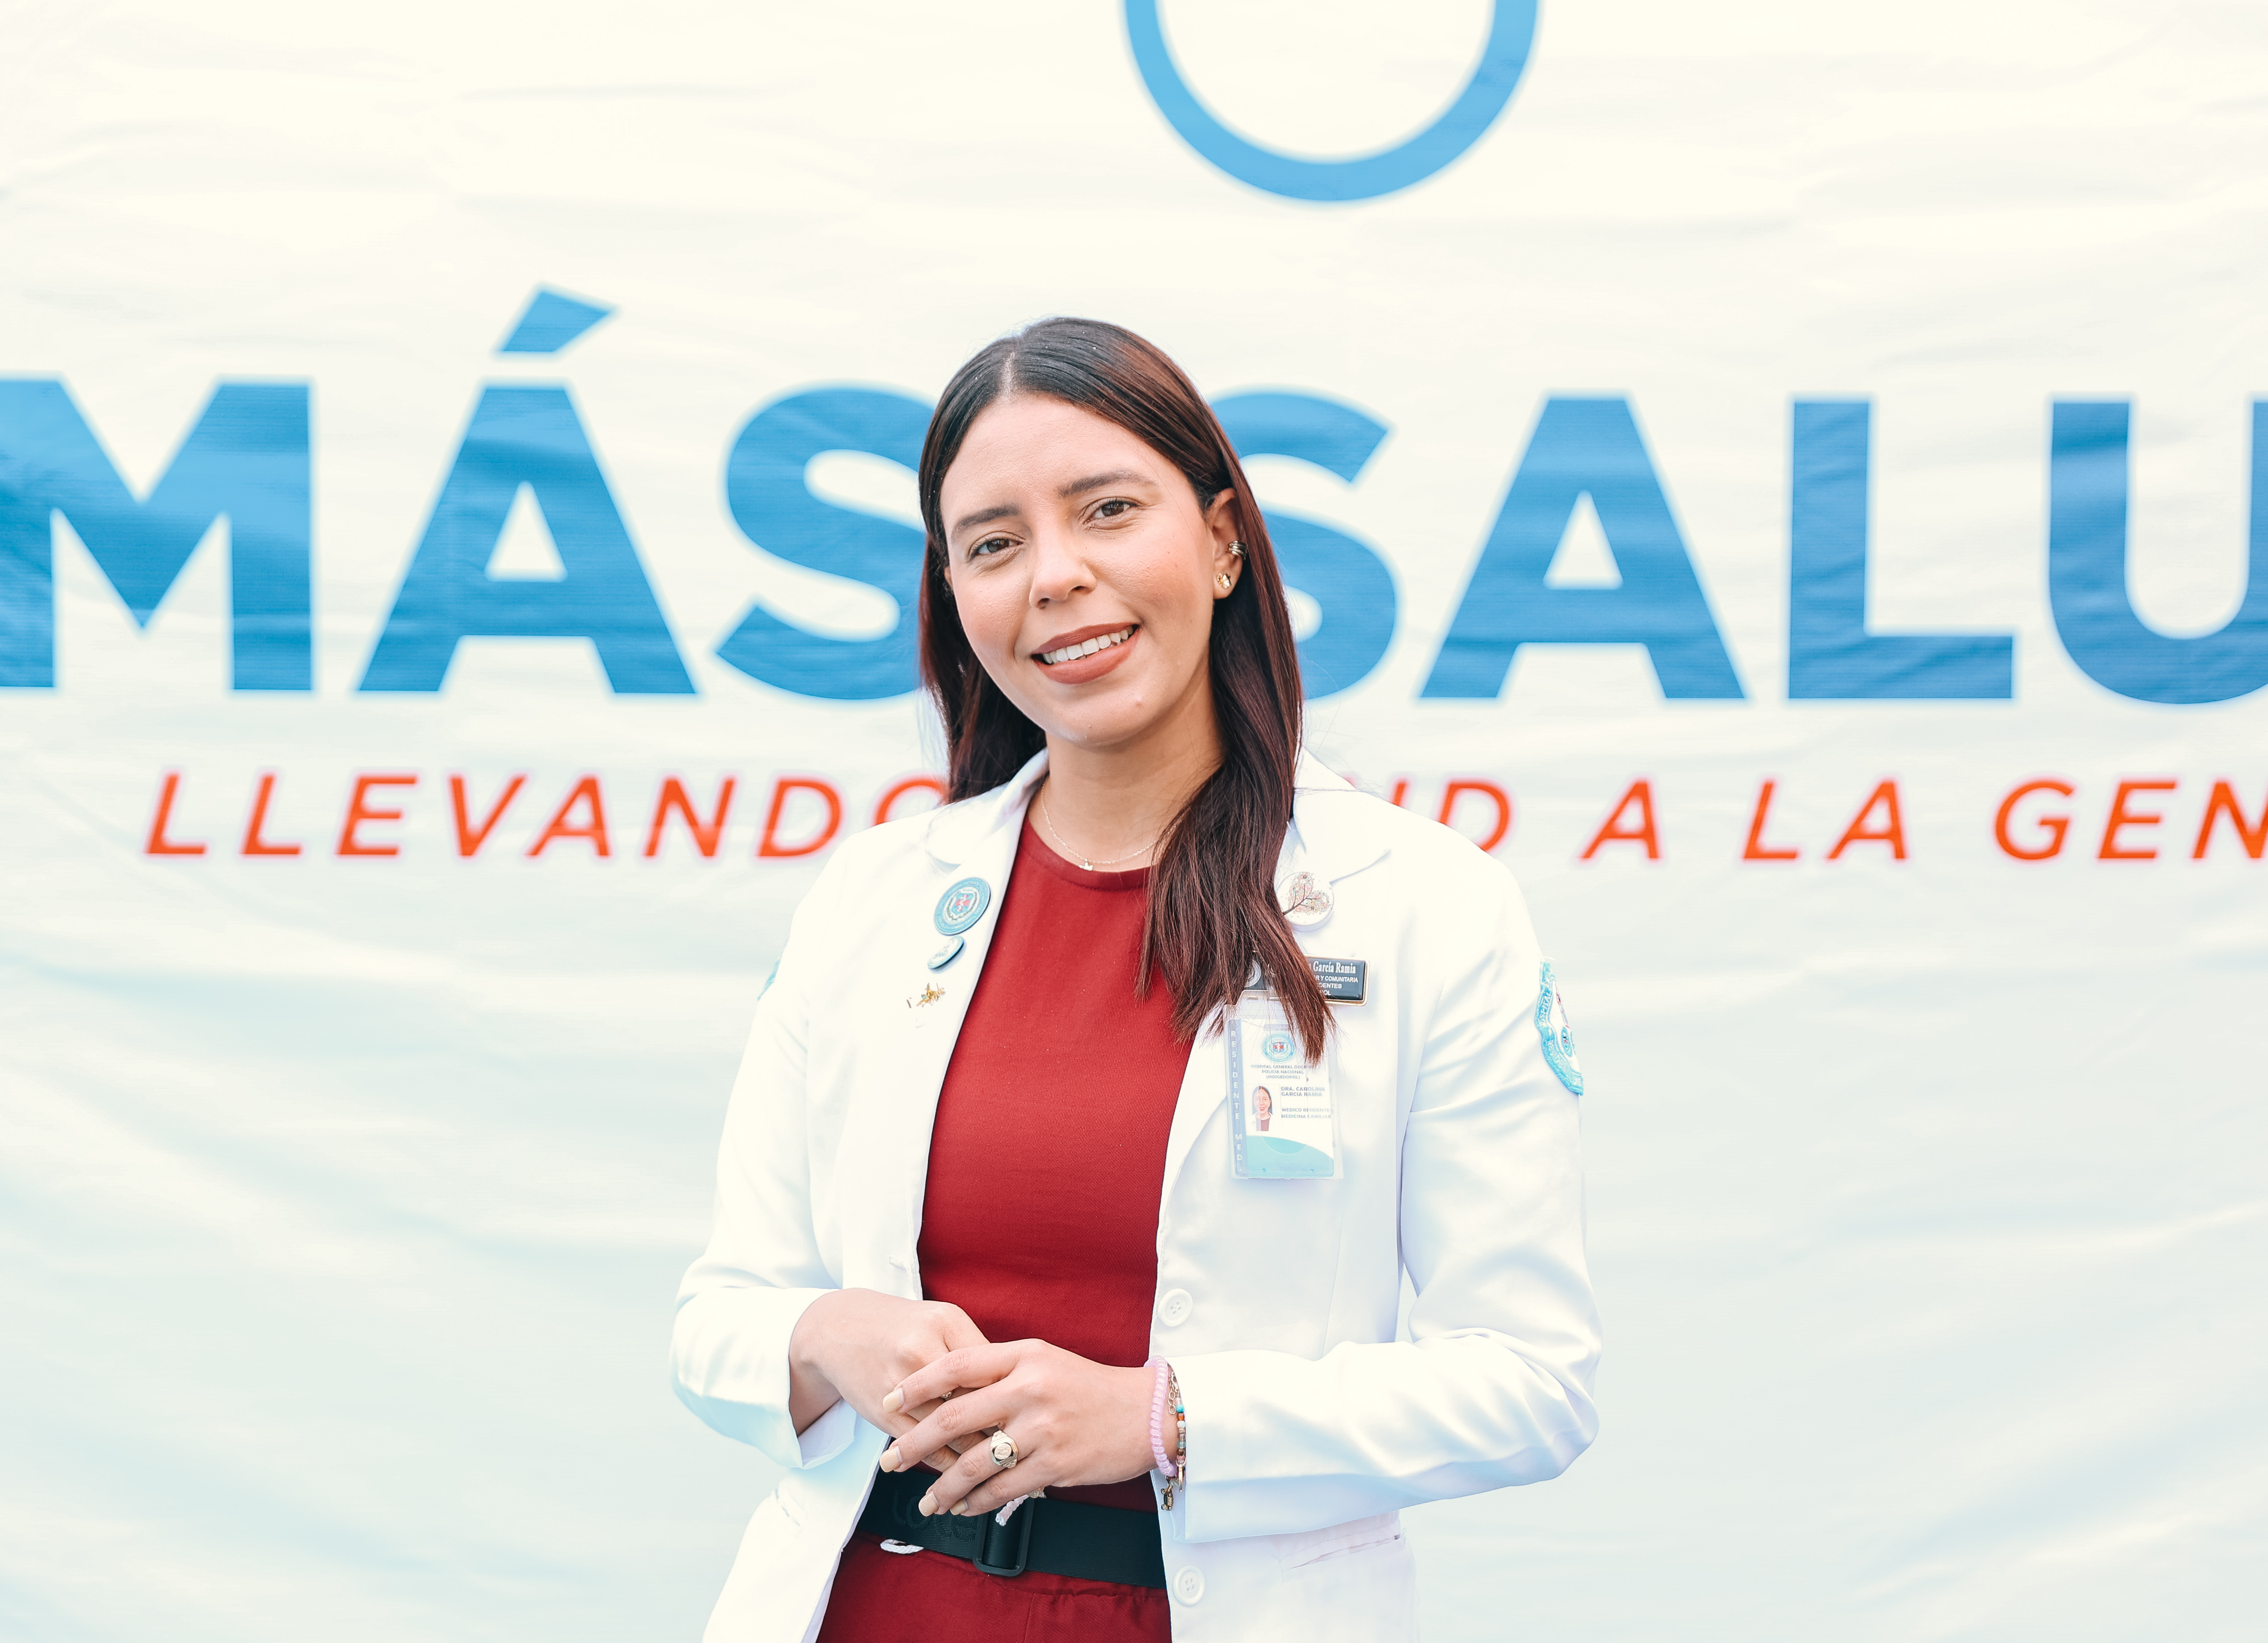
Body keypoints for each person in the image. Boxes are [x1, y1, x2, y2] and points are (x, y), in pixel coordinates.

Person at [671, 317, 1599, 1643]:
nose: (1056, 575)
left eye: (1107, 511)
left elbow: (1529, 1382)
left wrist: (1163, 1418)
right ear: (954, 597)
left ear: (1223, 541)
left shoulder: (1426, 903)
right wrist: (824, 1335)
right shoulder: (873, 898)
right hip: (879, 1605)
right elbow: (718, 1320)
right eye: (994, 544)